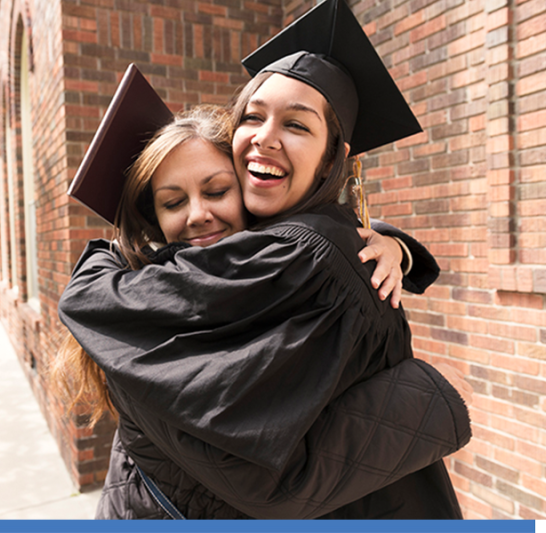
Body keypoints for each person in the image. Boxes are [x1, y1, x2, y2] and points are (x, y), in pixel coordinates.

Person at [58, 0, 471, 519]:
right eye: (252, 116)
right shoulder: (289, 242)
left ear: (334, 158)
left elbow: (94, 304)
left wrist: (104, 258)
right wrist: (393, 242)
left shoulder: (295, 256)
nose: (266, 137)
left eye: (297, 126)